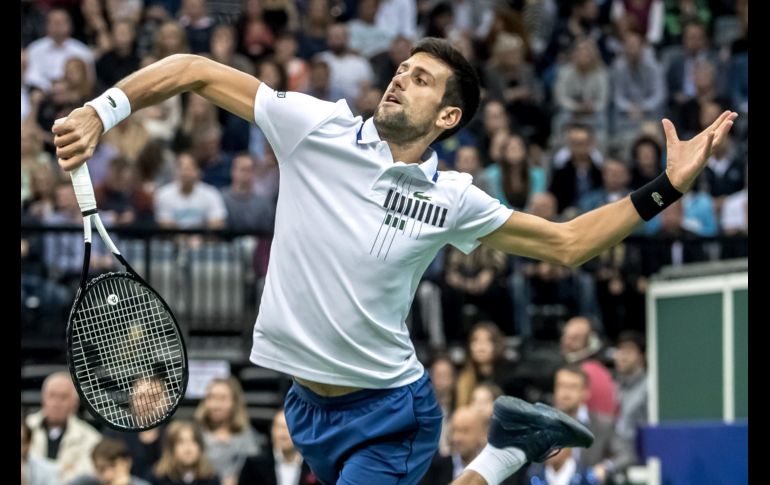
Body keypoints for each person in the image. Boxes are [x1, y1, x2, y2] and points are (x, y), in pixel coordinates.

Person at [53, 36, 735, 485]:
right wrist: (102, 109)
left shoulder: (453, 198)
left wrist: (668, 185)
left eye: (421, 79)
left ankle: (505, 451)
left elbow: (568, 241)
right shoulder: (314, 128)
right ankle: (508, 450)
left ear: (447, 116)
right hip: (306, 407)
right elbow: (196, 71)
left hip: (390, 411)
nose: (399, 80)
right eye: (402, 69)